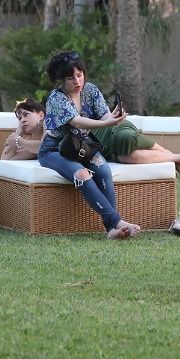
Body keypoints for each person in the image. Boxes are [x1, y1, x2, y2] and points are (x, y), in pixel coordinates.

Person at [38, 51, 140, 239]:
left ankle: (111, 230)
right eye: (71, 78)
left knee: (104, 171)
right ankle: (117, 222)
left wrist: (114, 117)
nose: (77, 81)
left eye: (80, 75)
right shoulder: (56, 98)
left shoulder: (90, 90)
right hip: (54, 150)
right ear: (61, 80)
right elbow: (76, 122)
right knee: (82, 174)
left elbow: (104, 115)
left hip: (82, 147)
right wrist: (105, 124)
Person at [96, 116, 180, 176]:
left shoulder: (91, 91)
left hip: (113, 129)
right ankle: (177, 158)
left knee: (127, 139)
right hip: (103, 150)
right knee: (131, 156)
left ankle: (173, 155)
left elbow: (106, 114)